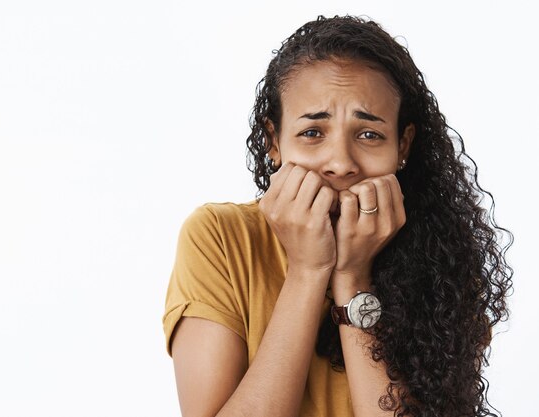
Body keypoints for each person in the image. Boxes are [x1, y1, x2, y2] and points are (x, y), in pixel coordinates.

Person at [162, 15, 512, 417]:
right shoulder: (219, 238)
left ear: (403, 145)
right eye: (313, 133)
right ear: (274, 142)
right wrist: (308, 270)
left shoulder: (443, 254)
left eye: (369, 134)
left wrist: (352, 276)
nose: (341, 163)